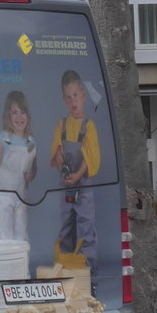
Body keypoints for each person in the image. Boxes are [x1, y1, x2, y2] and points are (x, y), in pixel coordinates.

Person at [49, 69, 101, 275]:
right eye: (68, 97)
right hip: (65, 186)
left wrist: (77, 175)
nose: (73, 102)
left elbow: (90, 156)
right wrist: (64, 170)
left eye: (76, 96)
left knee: (86, 230)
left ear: (84, 96)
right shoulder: (61, 125)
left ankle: (90, 277)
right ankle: (66, 272)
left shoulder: (89, 126)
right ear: (64, 99)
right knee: (66, 229)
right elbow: (57, 150)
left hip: (84, 187)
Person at [0, 90, 37, 241]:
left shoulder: (31, 142)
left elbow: (33, 169)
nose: (19, 117)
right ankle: (5, 262)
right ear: (8, 115)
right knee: (4, 232)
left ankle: (20, 261)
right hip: (3, 195)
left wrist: (31, 175)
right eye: (15, 112)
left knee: (21, 232)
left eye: (23, 112)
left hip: (20, 197)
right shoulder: (4, 138)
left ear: (28, 116)